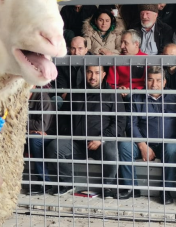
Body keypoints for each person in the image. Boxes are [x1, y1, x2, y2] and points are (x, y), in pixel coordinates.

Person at [45, 65, 125, 197]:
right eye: (89, 72)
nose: (93, 76)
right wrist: (70, 133)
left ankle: (108, 186)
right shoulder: (75, 92)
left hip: (101, 144)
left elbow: (120, 122)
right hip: (77, 143)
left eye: (97, 73)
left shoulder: (112, 94)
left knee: (111, 149)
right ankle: (67, 183)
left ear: (104, 74)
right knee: (55, 147)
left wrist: (102, 138)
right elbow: (63, 117)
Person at [118, 66, 176, 204]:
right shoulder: (136, 98)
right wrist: (142, 145)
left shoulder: (175, 97)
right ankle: (131, 188)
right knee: (125, 146)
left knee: (173, 148)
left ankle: (166, 190)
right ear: (145, 81)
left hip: (167, 143)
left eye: (158, 80)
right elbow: (131, 124)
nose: (154, 84)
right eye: (150, 80)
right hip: (143, 142)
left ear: (164, 82)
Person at [24, 89, 55, 195]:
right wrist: (29, 129)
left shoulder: (42, 98)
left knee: (35, 139)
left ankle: (44, 182)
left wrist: (22, 123)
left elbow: (42, 126)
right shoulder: (17, 97)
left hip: (47, 135)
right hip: (25, 133)